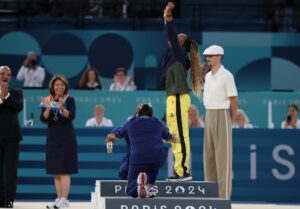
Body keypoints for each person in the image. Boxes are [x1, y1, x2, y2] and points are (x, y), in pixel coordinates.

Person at [162, 2, 203, 182]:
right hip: (173, 98)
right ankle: (179, 170)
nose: (174, 38)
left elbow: (169, 32)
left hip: (178, 98)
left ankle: (184, 171)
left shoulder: (179, 55)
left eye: (179, 38)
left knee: (181, 134)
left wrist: (168, 15)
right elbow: (169, 35)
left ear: (182, 45)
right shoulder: (174, 56)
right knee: (175, 135)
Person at [105, 104, 178, 198]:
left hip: (137, 158)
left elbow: (115, 134)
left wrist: (110, 141)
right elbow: (171, 137)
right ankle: (148, 186)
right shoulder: (157, 122)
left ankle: (139, 186)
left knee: (130, 189)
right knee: (148, 171)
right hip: (156, 158)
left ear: (137, 112)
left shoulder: (131, 122)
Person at [202, 45, 238, 200]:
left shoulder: (227, 75)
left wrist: (231, 119)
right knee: (208, 158)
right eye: (207, 55)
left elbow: (234, 99)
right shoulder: (208, 76)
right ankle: (211, 196)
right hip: (209, 114)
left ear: (219, 57)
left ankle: (224, 198)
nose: (208, 58)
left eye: (211, 55)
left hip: (222, 115)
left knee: (223, 159)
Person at [40, 74, 78, 209]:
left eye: (62, 84)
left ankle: (65, 200)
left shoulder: (70, 99)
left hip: (66, 138)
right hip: (52, 138)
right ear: (53, 86)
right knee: (55, 170)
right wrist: (48, 108)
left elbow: (71, 116)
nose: (59, 87)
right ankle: (59, 198)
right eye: (57, 85)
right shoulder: (48, 100)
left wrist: (62, 108)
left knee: (64, 170)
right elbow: (43, 119)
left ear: (65, 86)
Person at [0, 66, 23, 208]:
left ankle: (9, 199)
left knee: (11, 170)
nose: (5, 76)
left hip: (12, 138)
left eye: (8, 74)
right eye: (2, 74)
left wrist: (6, 95)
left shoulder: (16, 92)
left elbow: (18, 107)